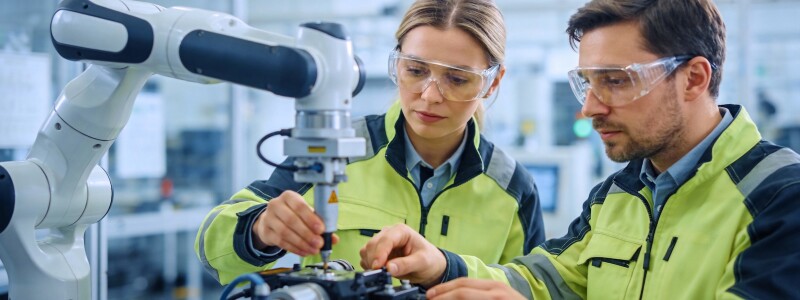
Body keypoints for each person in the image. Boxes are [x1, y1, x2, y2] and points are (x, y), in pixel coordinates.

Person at [359, 0, 800, 299]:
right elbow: (541, 279)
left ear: (694, 79)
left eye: (615, 80)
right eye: (587, 82)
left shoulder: (780, 198)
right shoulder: (617, 197)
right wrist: (443, 266)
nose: (589, 107)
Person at [194, 0, 546, 285]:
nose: (430, 95)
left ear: (493, 82)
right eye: (416, 71)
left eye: (457, 78)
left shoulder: (512, 188)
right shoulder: (335, 148)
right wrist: (259, 229)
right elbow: (211, 247)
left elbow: (530, 287)